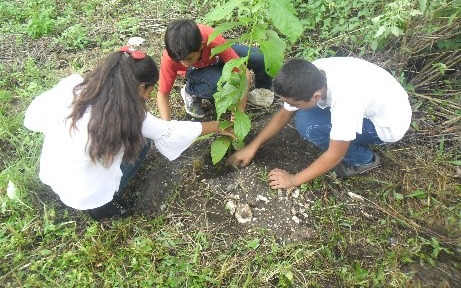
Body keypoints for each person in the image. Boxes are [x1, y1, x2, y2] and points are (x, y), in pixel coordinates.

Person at [24, 46, 233, 220]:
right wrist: (218, 125)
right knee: (143, 144)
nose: (150, 95)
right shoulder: (130, 116)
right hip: (82, 191)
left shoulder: (75, 87)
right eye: (150, 90)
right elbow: (169, 131)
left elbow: (33, 117)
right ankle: (102, 206)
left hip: (55, 171)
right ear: (142, 87)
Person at [227, 57, 412, 189]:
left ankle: (364, 160)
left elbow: (335, 154)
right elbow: (284, 114)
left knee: (309, 126)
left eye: (294, 103)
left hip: (387, 125)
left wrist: (293, 180)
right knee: (305, 119)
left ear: (316, 96)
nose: (289, 106)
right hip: (376, 103)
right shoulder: (311, 74)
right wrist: (253, 147)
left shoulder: (346, 100)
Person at [157, 18, 273, 120]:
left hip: (215, 58)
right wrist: (166, 128)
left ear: (201, 45)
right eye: (179, 60)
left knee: (260, 57)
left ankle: (261, 91)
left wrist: (239, 110)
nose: (184, 63)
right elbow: (163, 94)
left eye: (188, 58)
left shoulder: (211, 37)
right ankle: (190, 92)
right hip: (195, 71)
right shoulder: (170, 57)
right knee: (224, 85)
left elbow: (244, 73)